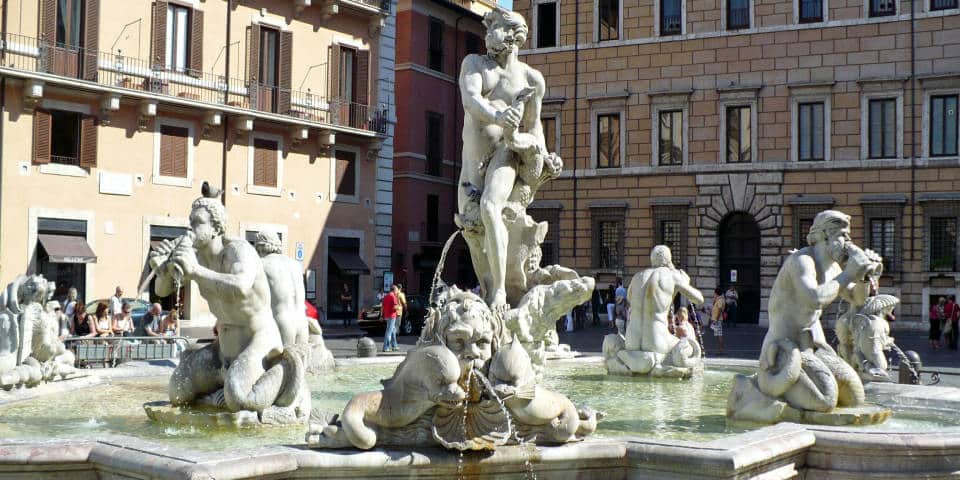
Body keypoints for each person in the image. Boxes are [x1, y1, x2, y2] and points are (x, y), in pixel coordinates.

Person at [457, 9, 548, 316]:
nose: (488, 32)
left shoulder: (530, 78)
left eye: (494, 26)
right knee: (473, 231)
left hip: (506, 154)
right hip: (471, 166)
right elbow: (470, 99)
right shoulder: (474, 65)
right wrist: (497, 115)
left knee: (490, 207)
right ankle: (489, 287)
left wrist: (544, 157)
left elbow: (534, 126)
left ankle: (498, 291)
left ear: (512, 35)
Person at [381, 286, 399, 352]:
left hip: (387, 315)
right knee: (389, 331)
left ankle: (394, 346)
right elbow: (395, 307)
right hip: (392, 316)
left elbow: (382, 307)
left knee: (393, 331)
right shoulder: (393, 296)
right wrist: (398, 308)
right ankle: (385, 347)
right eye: (397, 290)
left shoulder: (386, 296)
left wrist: (381, 316)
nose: (397, 292)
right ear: (394, 290)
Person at [710, 286, 725, 353]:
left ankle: (720, 349)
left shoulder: (720, 300)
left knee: (719, 335)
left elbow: (719, 310)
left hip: (718, 320)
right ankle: (720, 347)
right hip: (716, 319)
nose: (714, 294)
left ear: (716, 293)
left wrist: (716, 319)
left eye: (714, 293)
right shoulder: (718, 299)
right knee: (718, 334)